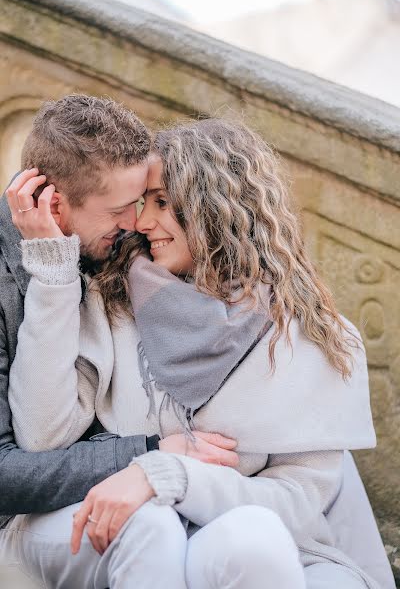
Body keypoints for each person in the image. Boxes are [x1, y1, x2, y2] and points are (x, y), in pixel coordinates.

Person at [5, 116, 395, 589]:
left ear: (214, 206)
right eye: (141, 203)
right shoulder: (111, 301)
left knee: (251, 541)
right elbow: (44, 433)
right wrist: (53, 278)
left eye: (163, 203)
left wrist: (167, 473)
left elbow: (299, 501)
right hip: (139, 534)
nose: (142, 223)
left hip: (244, 537)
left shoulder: (306, 333)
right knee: (165, 533)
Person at [0, 97, 240, 579]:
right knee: (147, 528)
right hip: (28, 517)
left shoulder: (118, 250)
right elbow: (8, 471)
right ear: (52, 203)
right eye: (119, 209)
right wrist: (150, 452)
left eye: (142, 203)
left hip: (126, 490)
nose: (137, 224)